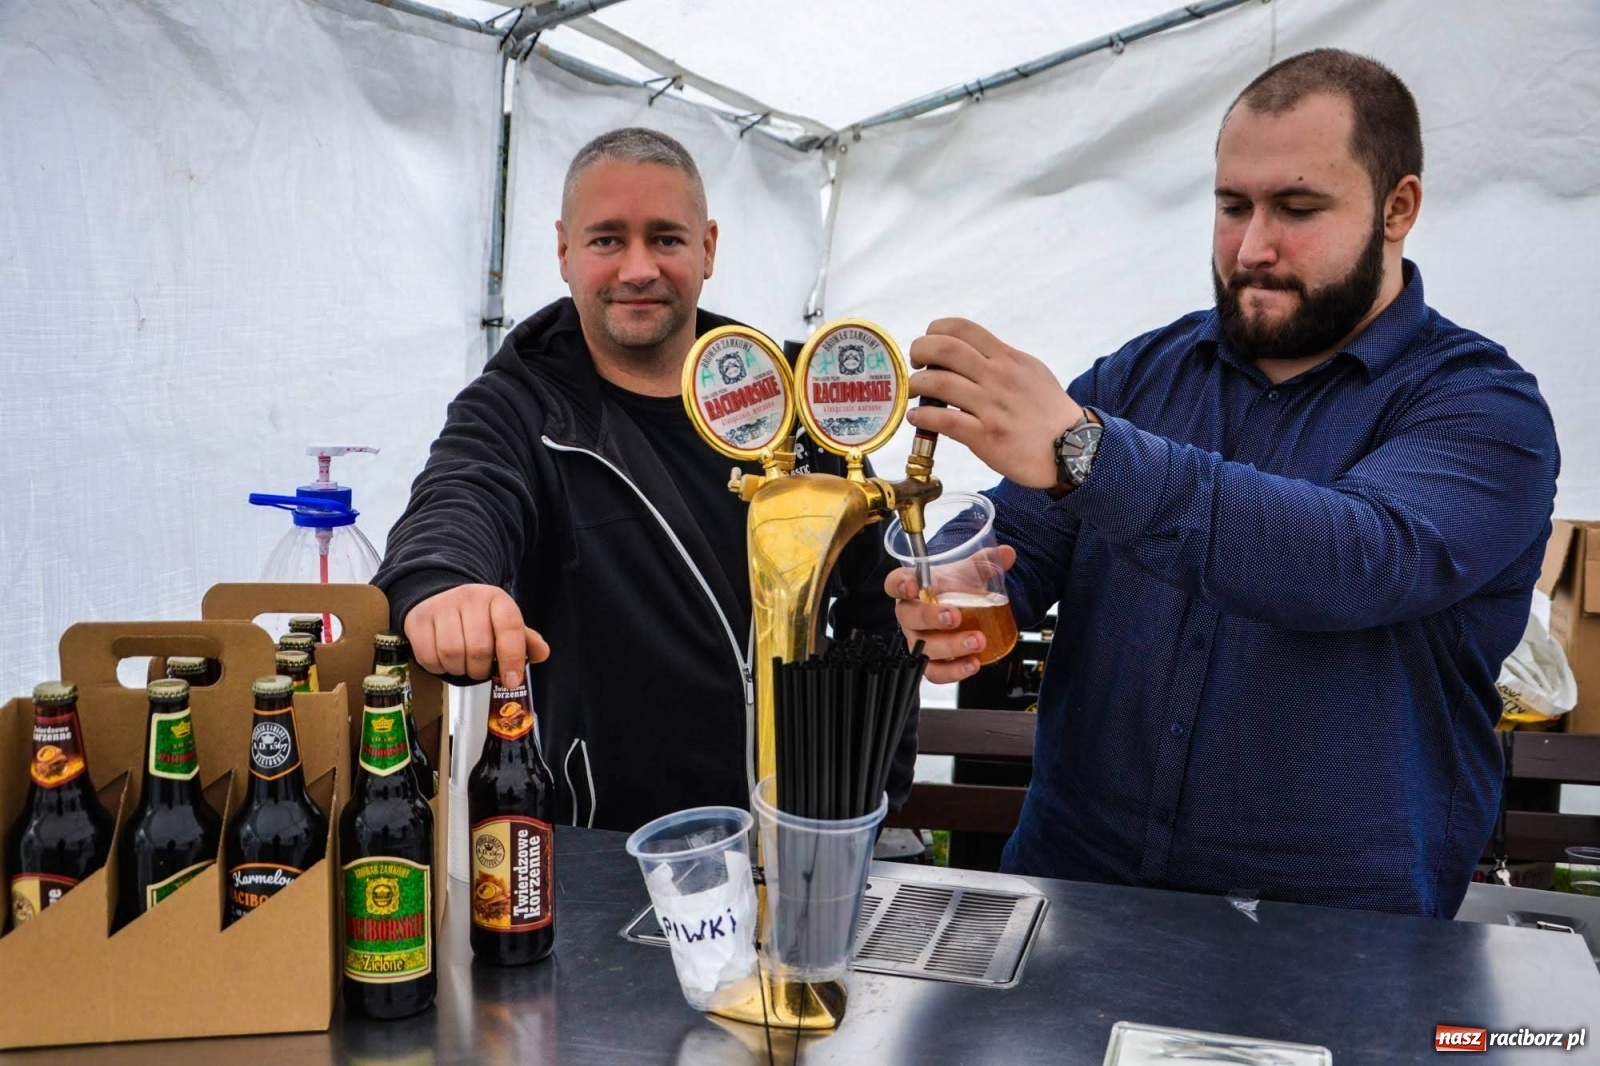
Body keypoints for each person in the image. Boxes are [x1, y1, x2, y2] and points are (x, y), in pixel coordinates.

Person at [892, 50, 1559, 918]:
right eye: (1232, 206)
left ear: (1399, 208)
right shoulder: (1140, 376)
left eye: (1297, 208)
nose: (1253, 247)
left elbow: (1358, 556)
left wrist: (1088, 455)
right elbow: (1015, 542)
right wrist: (952, 580)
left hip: (1335, 938)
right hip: (1072, 896)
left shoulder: (1482, 407)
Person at [375, 128, 914, 832]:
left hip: (805, 841)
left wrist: (866, 788)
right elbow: (458, 499)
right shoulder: (518, 406)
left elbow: (886, 593)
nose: (637, 268)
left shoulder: (791, 392)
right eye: (606, 241)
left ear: (708, 247)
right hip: (612, 854)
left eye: (665, 238)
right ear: (564, 250)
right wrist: (443, 585)